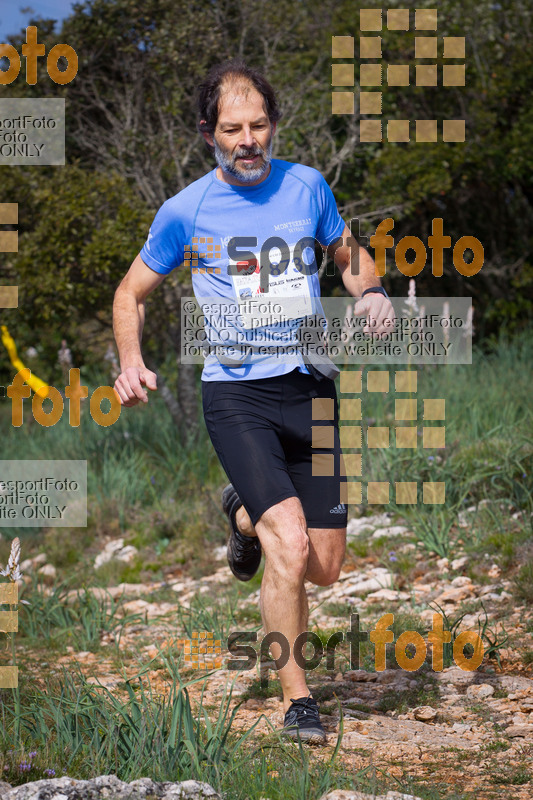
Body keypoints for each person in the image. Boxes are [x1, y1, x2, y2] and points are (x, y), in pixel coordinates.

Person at [112, 58, 394, 745]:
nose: (247, 140)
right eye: (232, 128)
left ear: (273, 125)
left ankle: (239, 515)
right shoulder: (186, 210)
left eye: (258, 125)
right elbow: (129, 294)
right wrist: (130, 361)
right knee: (289, 547)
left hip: (312, 388)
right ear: (208, 132)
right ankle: (298, 698)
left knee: (325, 567)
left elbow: (347, 252)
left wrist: (374, 292)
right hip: (237, 396)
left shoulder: (307, 186)